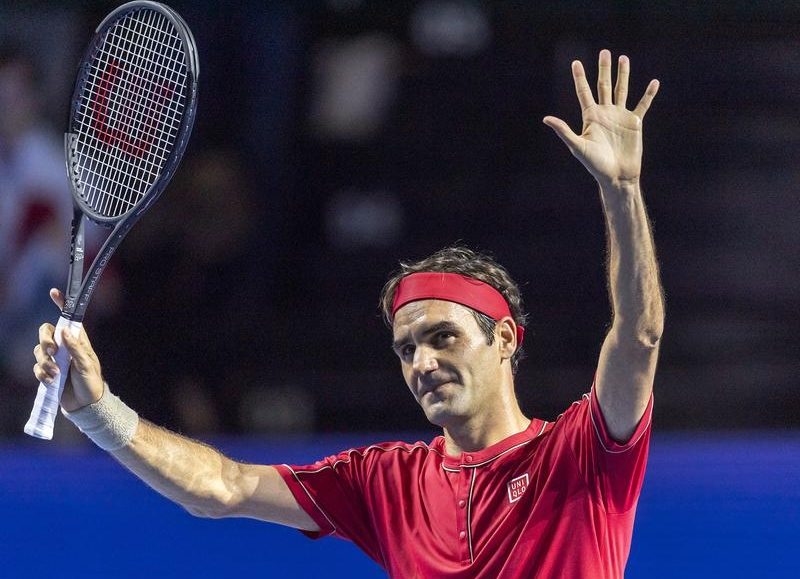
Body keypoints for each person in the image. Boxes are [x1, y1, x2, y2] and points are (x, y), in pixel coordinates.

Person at [32, 50, 663, 578]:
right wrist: (97, 410)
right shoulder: (385, 482)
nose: (423, 363)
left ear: (503, 338)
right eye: (407, 349)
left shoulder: (582, 453)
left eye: (443, 337)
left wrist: (622, 191)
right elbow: (223, 487)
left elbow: (638, 334)